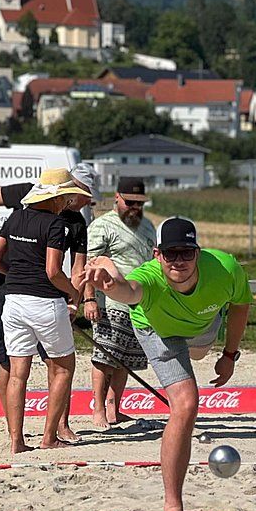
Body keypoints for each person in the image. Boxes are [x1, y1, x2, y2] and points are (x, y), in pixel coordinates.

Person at [79, 217, 252, 511]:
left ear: (198, 252)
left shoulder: (226, 268)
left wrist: (230, 354)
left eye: (186, 252)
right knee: (186, 405)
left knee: (198, 353)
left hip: (202, 327)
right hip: (158, 330)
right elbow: (129, 290)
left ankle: (198, 348)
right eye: (170, 253)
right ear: (157, 255)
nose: (179, 260)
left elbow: (241, 306)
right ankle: (174, 504)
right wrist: (110, 285)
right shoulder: (149, 276)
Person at [0, 164, 97, 442]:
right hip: (45, 301)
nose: (71, 201)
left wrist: (16, 276)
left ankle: (17, 440)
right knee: (62, 367)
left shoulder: (17, 218)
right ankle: (49, 438)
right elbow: (53, 271)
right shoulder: (57, 222)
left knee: (17, 372)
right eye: (70, 195)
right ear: (58, 195)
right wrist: (73, 296)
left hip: (14, 299)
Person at [80, 177, 156, 430]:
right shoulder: (102, 226)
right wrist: (89, 299)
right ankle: (98, 410)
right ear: (117, 197)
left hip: (138, 304)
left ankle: (115, 409)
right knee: (105, 357)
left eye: (139, 203)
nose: (134, 207)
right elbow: (89, 265)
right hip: (107, 304)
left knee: (126, 360)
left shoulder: (148, 226)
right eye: (130, 202)